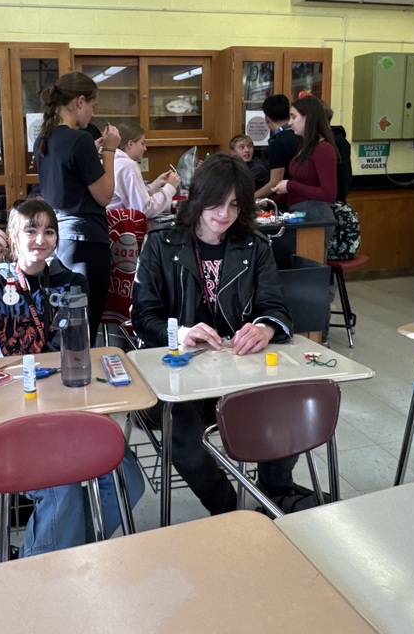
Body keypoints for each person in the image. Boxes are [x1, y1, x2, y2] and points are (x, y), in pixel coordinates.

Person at [0, 200, 144, 558]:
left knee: (128, 479)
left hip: (61, 407)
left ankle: (61, 554)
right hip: (10, 410)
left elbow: (72, 352)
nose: (40, 239)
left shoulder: (70, 282)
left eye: (48, 231)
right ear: (11, 237)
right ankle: (43, 568)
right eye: (30, 230)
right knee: (63, 489)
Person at [131, 153, 297, 515]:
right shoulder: (161, 244)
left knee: (291, 415)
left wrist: (265, 327)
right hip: (180, 376)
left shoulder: (255, 246)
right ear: (197, 197)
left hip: (241, 371)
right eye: (217, 203)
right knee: (187, 446)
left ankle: (276, 491)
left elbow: (277, 308)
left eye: (235, 205)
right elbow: (143, 316)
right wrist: (182, 332)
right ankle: (231, 511)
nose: (224, 214)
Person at [34, 71, 119, 345]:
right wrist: (109, 151)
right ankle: (83, 383)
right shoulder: (80, 139)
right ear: (80, 102)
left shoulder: (43, 140)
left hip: (61, 239)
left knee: (65, 323)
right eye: (93, 106)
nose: (92, 114)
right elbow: (105, 195)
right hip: (87, 240)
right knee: (86, 324)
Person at [271, 95, 339, 237]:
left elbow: (329, 194)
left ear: (308, 118)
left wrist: (290, 186)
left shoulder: (323, 149)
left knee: (308, 260)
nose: (290, 123)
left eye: (293, 117)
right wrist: (271, 202)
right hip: (300, 214)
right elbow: (301, 184)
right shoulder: (306, 145)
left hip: (316, 217)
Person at [108, 121, 181, 216]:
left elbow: (134, 198)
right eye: (142, 143)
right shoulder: (127, 165)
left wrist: (156, 185)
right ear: (130, 144)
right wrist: (170, 187)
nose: (145, 148)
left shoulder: (113, 160)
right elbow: (143, 210)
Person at [255, 94, 299, 202]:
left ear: (267, 119)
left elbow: (275, 182)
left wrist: (252, 198)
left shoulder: (277, 142)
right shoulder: (300, 134)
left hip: (288, 200)